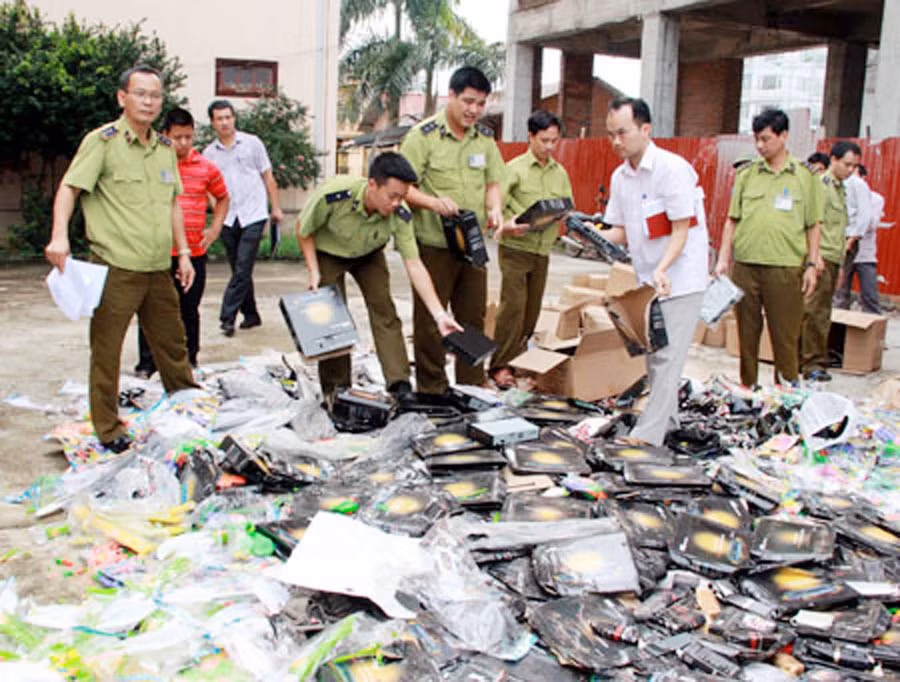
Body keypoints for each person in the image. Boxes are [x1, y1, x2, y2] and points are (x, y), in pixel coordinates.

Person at [44, 65, 198, 453]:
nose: (149, 101)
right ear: (122, 98)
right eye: (141, 94)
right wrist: (59, 235)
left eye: (156, 95)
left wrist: (183, 253)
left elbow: (173, 204)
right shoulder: (102, 142)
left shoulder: (164, 148)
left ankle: (189, 409)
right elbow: (69, 188)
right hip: (115, 268)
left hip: (157, 267)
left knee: (174, 347)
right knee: (107, 352)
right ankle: (109, 430)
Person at [296, 152, 461, 399]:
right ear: (372, 184)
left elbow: (414, 264)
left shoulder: (400, 213)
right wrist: (314, 270)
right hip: (328, 253)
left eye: (402, 197)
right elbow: (303, 230)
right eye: (392, 196)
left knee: (384, 310)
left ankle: (399, 384)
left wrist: (439, 314)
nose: (396, 203)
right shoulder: (333, 196)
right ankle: (337, 390)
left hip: (369, 254)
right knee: (332, 319)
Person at [600, 96, 709, 446]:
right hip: (649, 281)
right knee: (653, 356)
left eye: (622, 132)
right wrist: (581, 230)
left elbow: (682, 229)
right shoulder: (621, 177)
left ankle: (648, 438)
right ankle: (669, 422)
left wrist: (662, 269)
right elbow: (619, 231)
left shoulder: (672, 169)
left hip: (680, 278)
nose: (616, 141)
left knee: (666, 357)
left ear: (645, 129)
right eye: (610, 134)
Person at [398, 66, 505, 394]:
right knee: (432, 323)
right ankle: (433, 389)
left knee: (473, 317)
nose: (474, 110)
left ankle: (471, 386)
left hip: (471, 246)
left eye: (481, 104)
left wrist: (495, 207)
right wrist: (431, 202)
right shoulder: (423, 137)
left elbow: (493, 182)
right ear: (451, 96)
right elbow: (401, 188)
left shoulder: (484, 141)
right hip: (433, 244)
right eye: (468, 101)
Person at [715, 108, 822, 388]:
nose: (760, 146)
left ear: (783, 136)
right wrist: (724, 259)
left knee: (785, 336)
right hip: (746, 268)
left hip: (785, 269)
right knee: (746, 335)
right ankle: (748, 388)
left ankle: (785, 395)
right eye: (756, 140)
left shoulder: (805, 177)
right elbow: (732, 220)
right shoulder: (747, 174)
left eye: (766, 139)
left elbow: (813, 225)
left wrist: (812, 264)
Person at [134, 107, 230, 376]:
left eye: (188, 137)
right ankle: (147, 362)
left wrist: (214, 229)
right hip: (158, 252)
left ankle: (189, 361)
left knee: (189, 309)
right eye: (178, 137)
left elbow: (223, 197)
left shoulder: (206, 168)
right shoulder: (153, 163)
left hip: (194, 252)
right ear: (165, 135)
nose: (184, 143)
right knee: (152, 310)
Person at [488, 110, 573, 389]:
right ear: (531, 136)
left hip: (542, 249)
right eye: (544, 140)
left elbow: (566, 204)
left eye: (554, 141)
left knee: (532, 310)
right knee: (513, 307)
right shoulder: (514, 169)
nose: (549, 147)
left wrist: (563, 216)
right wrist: (507, 224)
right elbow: (495, 205)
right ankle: (500, 366)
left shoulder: (559, 172)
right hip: (515, 247)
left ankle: (519, 359)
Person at [203, 99, 283, 337]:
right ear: (213, 123)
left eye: (228, 117)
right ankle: (251, 314)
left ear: (234, 118)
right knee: (239, 268)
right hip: (227, 217)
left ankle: (227, 317)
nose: (225, 122)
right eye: (220, 118)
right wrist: (214, 209)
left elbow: (268, 177)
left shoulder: (252, 144)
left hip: (253, 213)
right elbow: (208, 188)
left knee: (243, 264)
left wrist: (276, 208)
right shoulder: (209, 153)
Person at [800, 141, 860, 382]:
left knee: (822, 312)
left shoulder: (840, 189)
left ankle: (813, 359)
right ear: (833, 160)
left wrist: (841, 262)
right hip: (821, 258)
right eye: (846, 164)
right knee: (814, 312)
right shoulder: (822, 187)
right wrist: (816, 258)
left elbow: (838, 229)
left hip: (834, 258)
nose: (850, 170)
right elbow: (814, 224)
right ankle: (811, 364)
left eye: (854, 166)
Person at [834, 163, 882, 313]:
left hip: (864, 253)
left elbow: (871, 223)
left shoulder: (876, 199)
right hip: (843, 247)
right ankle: (837, 328)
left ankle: (872, 331)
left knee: (869, 294)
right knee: (840, 293)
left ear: (862, 177)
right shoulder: (841, 191)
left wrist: (854, 232)